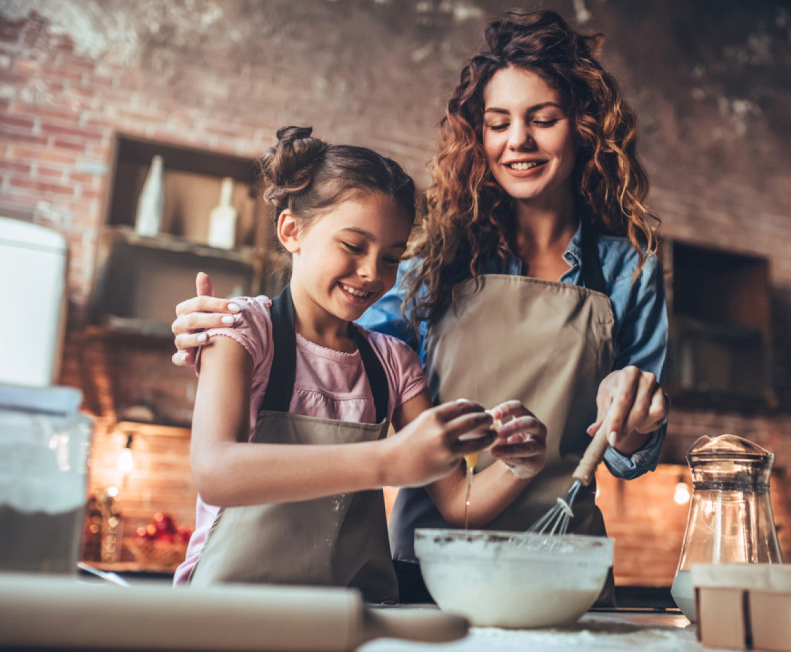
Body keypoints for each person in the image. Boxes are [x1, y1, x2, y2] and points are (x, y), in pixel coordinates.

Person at [172, 10, 669, 605]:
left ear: (582, 127)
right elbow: (334, 347)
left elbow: (626, 454)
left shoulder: (629, 270)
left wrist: (634, 428)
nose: (519, 141)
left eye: (544, 119)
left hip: (562, 561)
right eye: (498, 123)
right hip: (429, 566)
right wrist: (215, 335)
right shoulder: (435, 257)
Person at [172, 126, 547, 604]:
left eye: (391, 258)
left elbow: (459, 504)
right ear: (293, 231)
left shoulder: (393, 363)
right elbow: (215, 470)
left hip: (347, 618)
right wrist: (388, 460)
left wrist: (519, 467)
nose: (373, 273)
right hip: (229, 614)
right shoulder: (244, 330)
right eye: (353, 246)